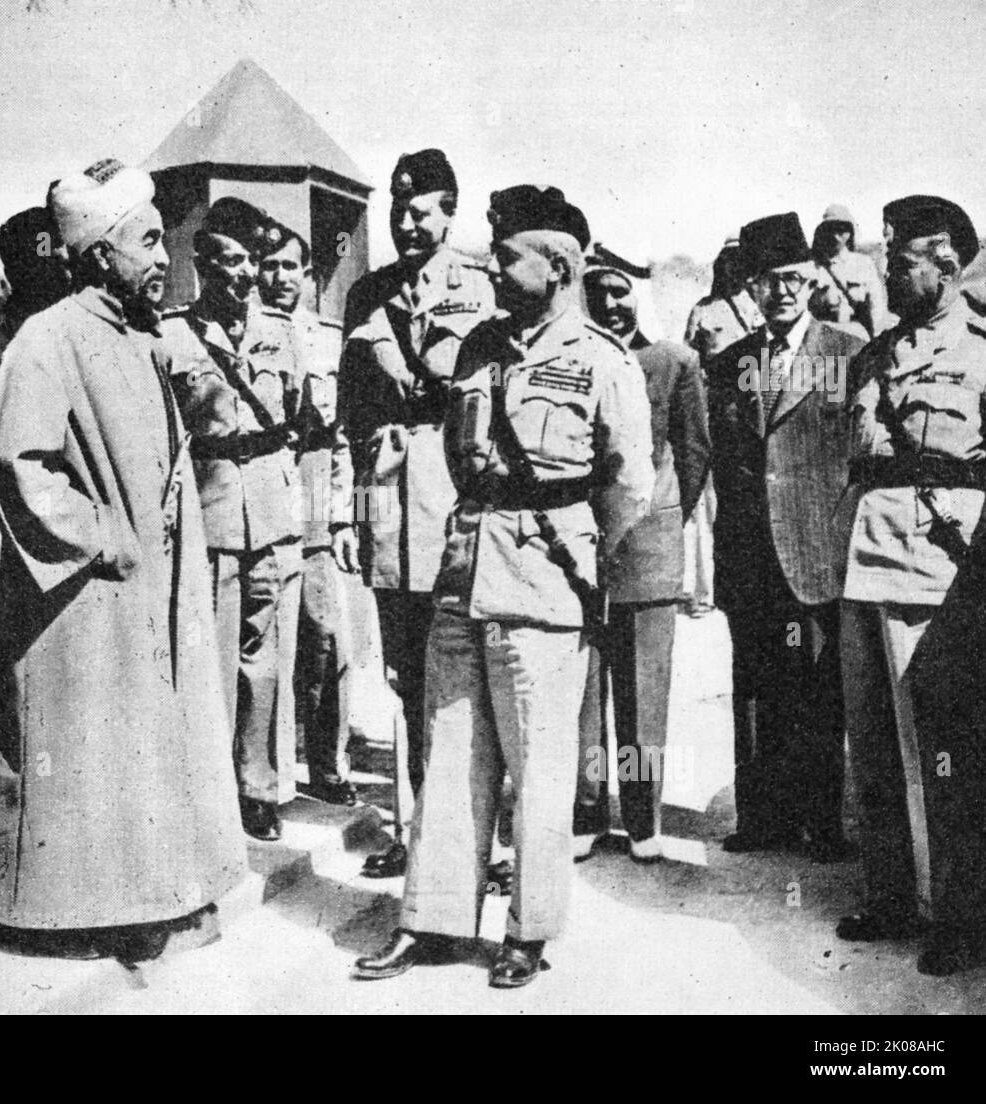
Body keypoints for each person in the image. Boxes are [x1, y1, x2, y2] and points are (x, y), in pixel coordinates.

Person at [353, 186, 653, 988]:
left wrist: (577, 548)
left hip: (547, 582)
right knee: (451, 756)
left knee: (539, 768)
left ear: (557, 267)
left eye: (509, 252)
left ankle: (528, 930)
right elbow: (458, 452)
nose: (491, 261)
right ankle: (433, 920)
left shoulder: (601, 359)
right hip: (465, 570)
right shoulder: (480, 345)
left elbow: (631, 484)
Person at [0, 159, 246, 956]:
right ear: (99, 255)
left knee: (142, 743)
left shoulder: (148, 334)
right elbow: (19, 466)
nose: (165, 258)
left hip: (152, 591)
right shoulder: (46, 339)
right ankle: (69, 919)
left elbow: (215, 429)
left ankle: (148, 899)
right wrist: (102, 537)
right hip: (84, 596)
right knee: (83, 748)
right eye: (146, 242)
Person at [836, 195, 986, 975]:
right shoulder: (872, 355)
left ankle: (960, 913)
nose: (886, 272)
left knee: (943, 754)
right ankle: (891, 895)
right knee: (872, 747)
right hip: (866, 563)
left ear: (946, 260)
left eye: (898, 260)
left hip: (942, 572)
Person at [338, 149, 495, 877]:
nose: (406, 221)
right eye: (398, 210)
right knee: (407, 680)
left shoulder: (483, 287)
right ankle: (420, 833)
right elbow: (350, 422)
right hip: (392, 512)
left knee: (469, 678)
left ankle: (486, 841)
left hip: (459, 502)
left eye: (421, 208)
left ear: (449, 210)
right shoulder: (366, 294)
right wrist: (350, 517)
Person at [707, 212, 865, 861]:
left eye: (793, 279)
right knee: (755, 686)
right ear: (754, 286)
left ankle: (822, 822)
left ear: (810, 279)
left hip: (815, 549)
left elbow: (858, 453)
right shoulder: (730, 362)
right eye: (769, 281)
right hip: (750, 556)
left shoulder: (847, 351)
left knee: (818, 691)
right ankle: (764, 817)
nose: (782, 292)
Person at [160, 197, 306, 842]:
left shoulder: (281, 331)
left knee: (264, 656)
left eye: (253, 260)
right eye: (232, 261)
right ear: (202, 262)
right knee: (213, 654)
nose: (246, 275)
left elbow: (297, 416)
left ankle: (258, 787)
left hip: (271, 505)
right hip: (212, 504)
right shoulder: (171, 335)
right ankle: (210, 786)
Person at [574, 242, 709, 863]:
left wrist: (661, 518)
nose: (611, 304)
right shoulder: (576, 356)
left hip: (649, 546)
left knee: (642, 693)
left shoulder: (673, 361)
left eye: (621, 291)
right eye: (598, 291)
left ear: (641, 295)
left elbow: (695, 452)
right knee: (581, 690)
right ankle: (584, 809)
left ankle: (642, 815)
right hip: (576, 546)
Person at [256, 216, 358, 806]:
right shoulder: (244, 332)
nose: (276, 277)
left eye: (288, 266)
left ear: (307, 274)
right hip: (265, 496)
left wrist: (341, 516)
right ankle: (270, 774)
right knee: (269, 642)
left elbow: (341, 436)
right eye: (267, 266)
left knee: (323, 639)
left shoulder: (328, 338)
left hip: (315, 499)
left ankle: (328, 763)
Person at [0, 206, 71, 696]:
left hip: (69, 522)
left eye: (57, 253)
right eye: (39, 255)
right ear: (12, 267)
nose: (55, 266)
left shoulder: (81, 333)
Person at [682, 236, 761, 617]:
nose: (733, 267)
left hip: (757, 410)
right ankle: (703, 591)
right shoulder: (703, 310)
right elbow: (690, 365)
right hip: (716, 410)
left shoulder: (758, 304)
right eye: (726, 260)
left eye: (738, 260)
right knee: (707, 502)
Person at [809, 203, 887, 340]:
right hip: (824, 336)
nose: (835, 236)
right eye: (831, 229)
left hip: (857, 334)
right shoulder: (815, 266)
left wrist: (876, 339)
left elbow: (876, 304)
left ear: (850, 232)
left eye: (841, 230)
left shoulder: (863, 263)